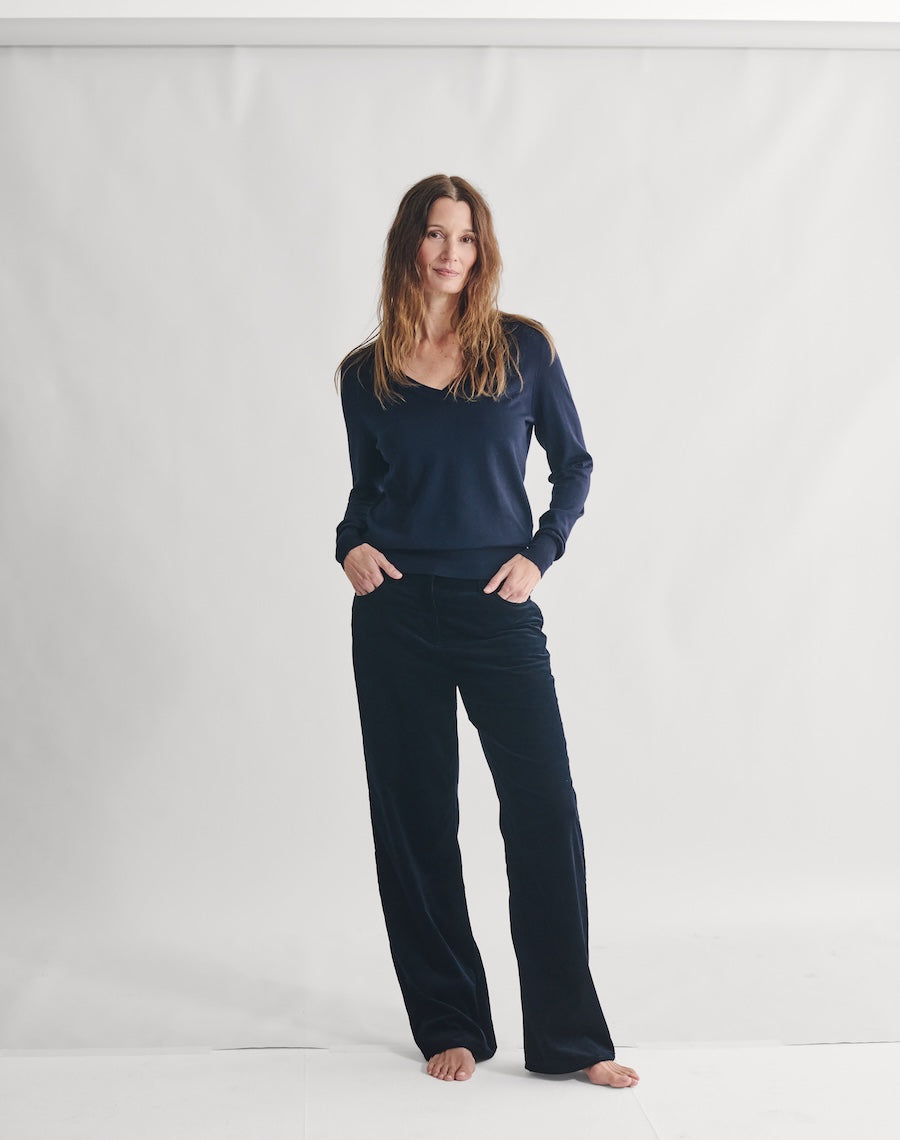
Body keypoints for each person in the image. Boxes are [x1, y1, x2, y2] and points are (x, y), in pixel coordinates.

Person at [334, 174, 639, 1088]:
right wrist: (348, 543)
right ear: (409, 245)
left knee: (544, 811)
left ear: (482, 249)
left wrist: (541, 553)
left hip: (497, 609)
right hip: (394, 611)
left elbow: (575, 465)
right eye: (436, 235)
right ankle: (450, 1019)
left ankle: (571, 1040)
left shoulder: (523, 349)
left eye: (465, 237)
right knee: (414, 818)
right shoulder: (365, 373)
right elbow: (366, 493)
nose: (451, 253)